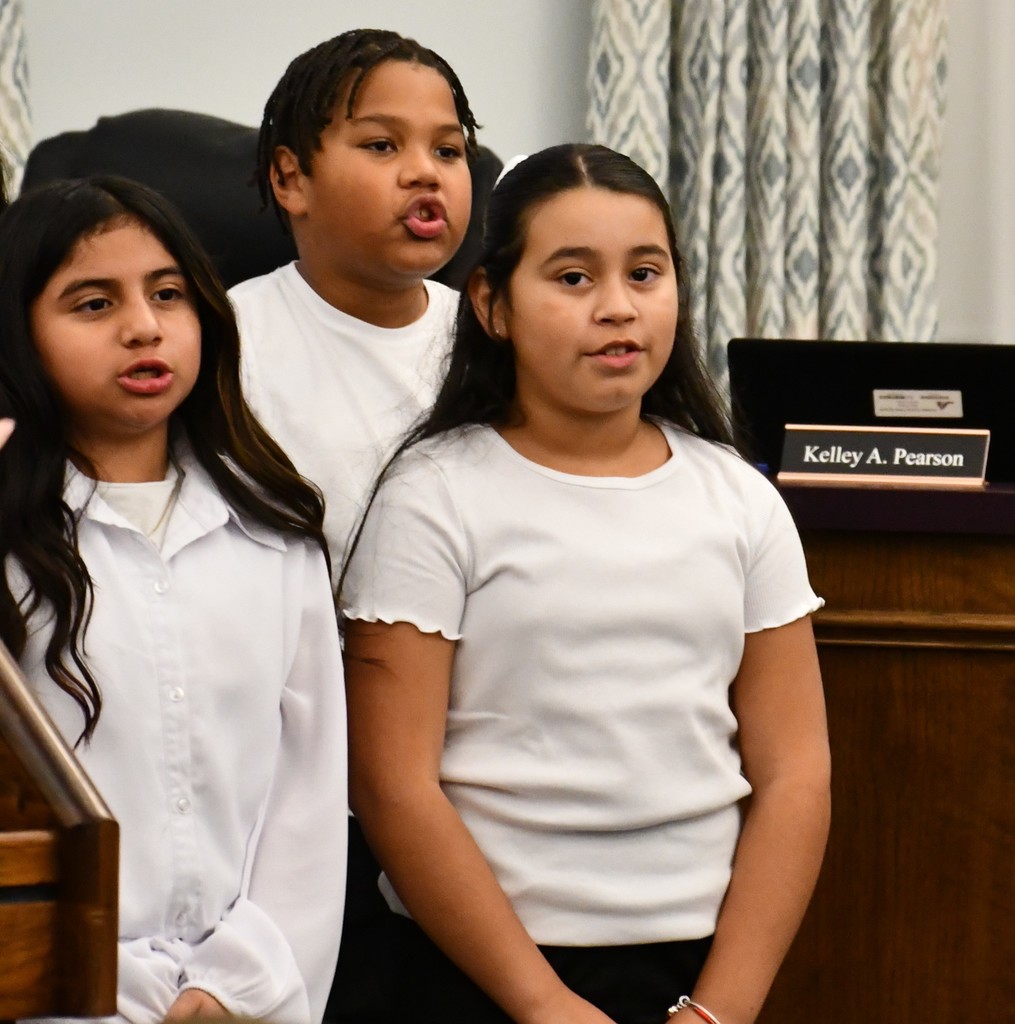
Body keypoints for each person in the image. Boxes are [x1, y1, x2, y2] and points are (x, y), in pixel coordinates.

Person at [339, 143, 832, 1024]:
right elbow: (391, 786)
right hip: (480, 970)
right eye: (572, 278)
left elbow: (795, 773)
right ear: (491, 304)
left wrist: (721, 1008)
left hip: (695, 970)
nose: (617, 308)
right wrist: (540, 1004)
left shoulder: (739, 499)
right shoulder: (434, 497)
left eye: (645, 273)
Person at [0, 176, 347, 1024]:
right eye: (92, 303)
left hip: (246, 1000)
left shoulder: (275, 534)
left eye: (167, 294)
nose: (144, 326)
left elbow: (307, 800)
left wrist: (235, 983)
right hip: (52, 993)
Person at [227, 29, 481, 1024]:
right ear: (290, 177)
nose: (424, 174)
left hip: (479, 779)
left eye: (449, 150)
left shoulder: (499, 340)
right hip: (293, 797)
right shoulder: (220, 342)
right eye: (381, 146)